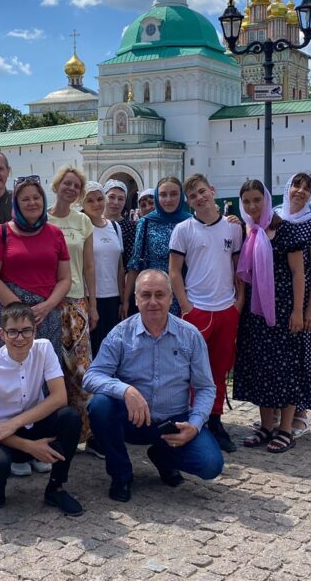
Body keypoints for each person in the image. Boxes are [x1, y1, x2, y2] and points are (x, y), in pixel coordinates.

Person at [84, 270, 223, 503]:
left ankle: (163, 456)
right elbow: (92, 376)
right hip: (133, 420)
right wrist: (126, 390)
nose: (153, 302)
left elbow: (206, 388)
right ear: (136, 299)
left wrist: (196, 425)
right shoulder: (120, 334)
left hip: (174, 421)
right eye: (146, 295)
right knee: (99, 406)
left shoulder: (190, 336)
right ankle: (121, 475)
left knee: (210, 465)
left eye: (160, 294)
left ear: (171, 298)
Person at [0, 175, 72, 476]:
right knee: (10, 381)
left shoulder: (55, 234)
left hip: (46, 315)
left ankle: (41, 446)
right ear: (16, 204)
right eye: (25, 199)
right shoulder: (1, 233)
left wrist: (48, 305)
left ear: (43, 201)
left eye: (36, 197)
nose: (31, 203)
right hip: (11, 315)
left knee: (42, 383)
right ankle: (14, 448)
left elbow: (65, 279)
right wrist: (19, 311)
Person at [0, 303, 84, 515]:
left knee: (70, 417)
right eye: (13, 332)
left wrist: (15, 423)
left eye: (26, 331)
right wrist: (29, 447)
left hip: (30, 425)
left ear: (35, 331)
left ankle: (56, 487)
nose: (20, 338)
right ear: (2, 334)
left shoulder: (44, 348)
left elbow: (60, 398)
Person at [233, 178, 311, 454]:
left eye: (257, 199)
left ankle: (285, 429)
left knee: (286, 366)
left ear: (266, 200)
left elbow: (298, 273)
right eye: (246, 201)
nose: (252, 205)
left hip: (283, 311)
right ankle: (266, 425)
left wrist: (299, 311)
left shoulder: (284, 230)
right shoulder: (250, 231)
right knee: (261, 367)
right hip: (255, 314)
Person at [168, 174, 244, 453]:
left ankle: (215, 420)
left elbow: (238, 268)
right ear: (189, 202)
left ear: (212, 191)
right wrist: (186, 306)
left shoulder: (233, 228)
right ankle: (190, 420)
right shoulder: (184, 229)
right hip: (197, 308)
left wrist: (239, 302)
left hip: (226, 308)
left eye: (202, 192)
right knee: (191, 369)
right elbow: (174, 270)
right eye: (193, 196)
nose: (200, 198)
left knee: (219, 369)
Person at [272, 173, 311, 437]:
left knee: (299, 357)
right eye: (296, 185)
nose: (300, 191)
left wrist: (310, 307)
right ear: (287, 188)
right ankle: (273, 414)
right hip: (275, 301)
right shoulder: (274, 216)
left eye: (307, 188)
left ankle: (300, 413)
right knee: (278, 358)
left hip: (302, 301)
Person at [47, 166, 95, 443]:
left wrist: (93, 303)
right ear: (56, 186)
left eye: (76, 185)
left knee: (80, 369)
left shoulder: (83, 222)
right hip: (50, 300)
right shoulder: (43, 220)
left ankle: (84, 431)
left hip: (77, 300)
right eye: (67, 183)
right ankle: (56, 430)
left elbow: (89, 266)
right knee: (52, 367)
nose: (71, 189)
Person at [125, 177, 190, 318]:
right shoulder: (147, 222)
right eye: (163, 195)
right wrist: (125, 301)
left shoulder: (190, 222)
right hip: (155, 292)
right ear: (157, 197)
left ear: (181, 195)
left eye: (174, 194)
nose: (168, 199)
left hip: (188, 292)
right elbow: (135, 262)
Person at [84, 181, 125, 355]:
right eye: (90, 200)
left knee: (113, 348)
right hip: (89, 298)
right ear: (82, 203)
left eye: (100, 199)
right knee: (93, 349)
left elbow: (119, 266)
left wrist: (123, 300)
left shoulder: (114, 227)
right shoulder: (82, 226)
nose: (96, 204)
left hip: (113, 298)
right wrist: (89, 303)